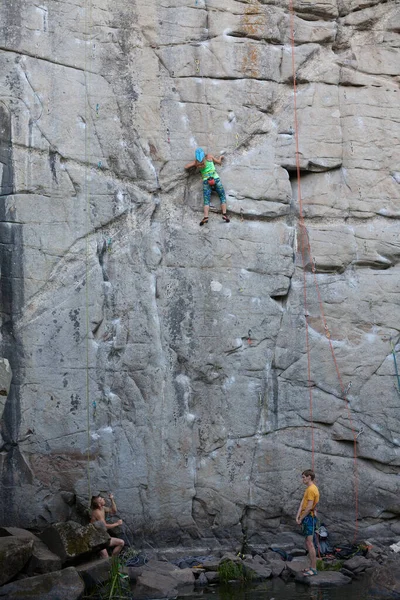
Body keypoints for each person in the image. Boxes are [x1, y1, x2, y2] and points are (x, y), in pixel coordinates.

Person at [184, 148, 230, 226]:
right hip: (215, 179)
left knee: (206, 200)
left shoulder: (197, 163)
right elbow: (218, 162)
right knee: (222, 196)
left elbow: (186, 167)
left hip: (206, 181)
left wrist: (195, 164)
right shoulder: (209, 157)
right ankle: (224, 214)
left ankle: (205, 217)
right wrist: (221, 158)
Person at [296, 469, 320, 576]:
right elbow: (303, 503)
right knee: (308, 542)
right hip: (307, 517)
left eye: (303, 477)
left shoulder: (312, 489)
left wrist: (301, 518)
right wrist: (298, 516)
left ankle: (314, 569)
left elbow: (310, 506)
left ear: (309, 477)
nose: (302, 479)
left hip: (309, 518)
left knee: (310, 544)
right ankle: (311, 566)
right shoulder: (309, 489)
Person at [90, 493, 125, 558]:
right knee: (105, 556)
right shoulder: (97, 512)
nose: (103, 498)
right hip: (96, 538)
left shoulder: (102, 508)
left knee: (121, 542)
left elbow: (113, 511)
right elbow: (105, 526)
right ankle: (108, 564)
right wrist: (117, 524)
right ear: (99, 504)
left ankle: (113, 561)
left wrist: (112, 499)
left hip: (103, 536)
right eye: (101, 499)